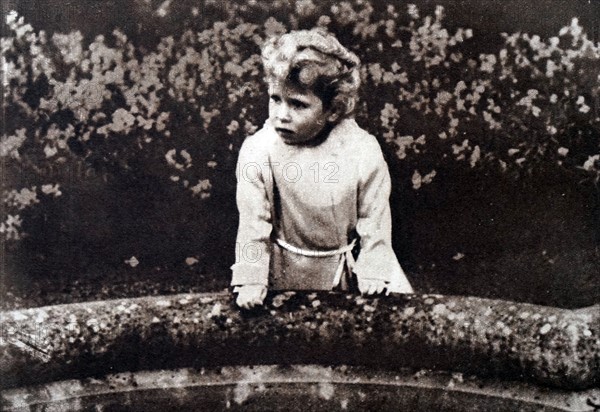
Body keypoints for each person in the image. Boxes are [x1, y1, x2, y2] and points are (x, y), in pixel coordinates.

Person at [231, 28, 413, 309]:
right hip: (284, 269)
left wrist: (374, 267)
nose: (281, 115)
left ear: (333, 111)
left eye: (298, 104)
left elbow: (374, 218)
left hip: (348, 269)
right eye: (275, 99)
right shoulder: (258, 150)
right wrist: (252, 277)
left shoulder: (361, 150)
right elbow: (253, 223)